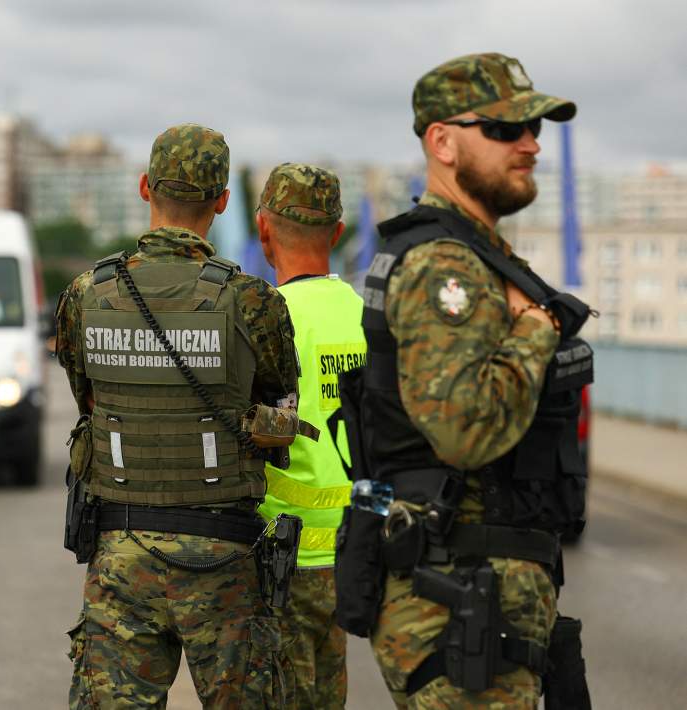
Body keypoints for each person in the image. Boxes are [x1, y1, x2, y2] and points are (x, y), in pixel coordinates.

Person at [337, 53, 593, 708]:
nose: (530, 144)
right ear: (442, 142)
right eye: (506, 130)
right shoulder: (443, 265)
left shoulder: (472, 252)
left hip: (473, 589)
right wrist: (536, 328)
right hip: (459, 597)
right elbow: (463, 430)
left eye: (533, 128)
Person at [56, 123, 302, 708]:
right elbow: (279, 401)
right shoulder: (253, 300)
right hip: (223, 553)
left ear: (144, 187)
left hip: (121, 546)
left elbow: (85, 395)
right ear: (222, 200)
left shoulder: (87, 293)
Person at [254, 163, 365, 709]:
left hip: (285, 555)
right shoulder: (368, 315)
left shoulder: (266, 319)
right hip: (354, 552)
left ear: (263, 229)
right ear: (338, 234)